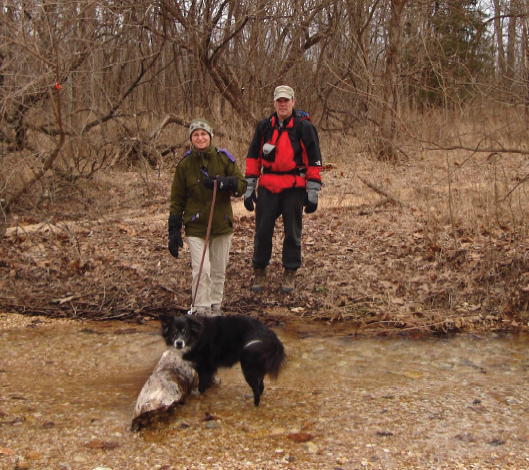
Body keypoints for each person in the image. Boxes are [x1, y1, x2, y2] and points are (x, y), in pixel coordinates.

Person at [244, 85, 323, 293]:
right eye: (279, 100)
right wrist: (250, 187)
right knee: (262, 231)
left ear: (293, 102)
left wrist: (312, 191)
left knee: (292, 232)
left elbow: (314, 161)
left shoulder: (304, 127)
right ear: (274, 103)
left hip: (294, 185)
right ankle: (259, 268)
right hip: (269, 184)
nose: (282, 104)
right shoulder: (264, 127)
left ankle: (290, 270)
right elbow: (253, 158)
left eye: (286, 100)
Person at [168, 118, 247, 315]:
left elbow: (242, 185)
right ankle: (200, 309)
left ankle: (215, 307)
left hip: (221, 224)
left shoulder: (224, 159)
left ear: (210, 136)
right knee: (201, 269)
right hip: (195, 226)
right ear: (191, 139)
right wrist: (173, 230)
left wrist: (225, 183)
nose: (200, 138)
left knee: (218, 270)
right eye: (196, 135)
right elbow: (177, 200)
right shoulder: (184, 165)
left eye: (204, 134)